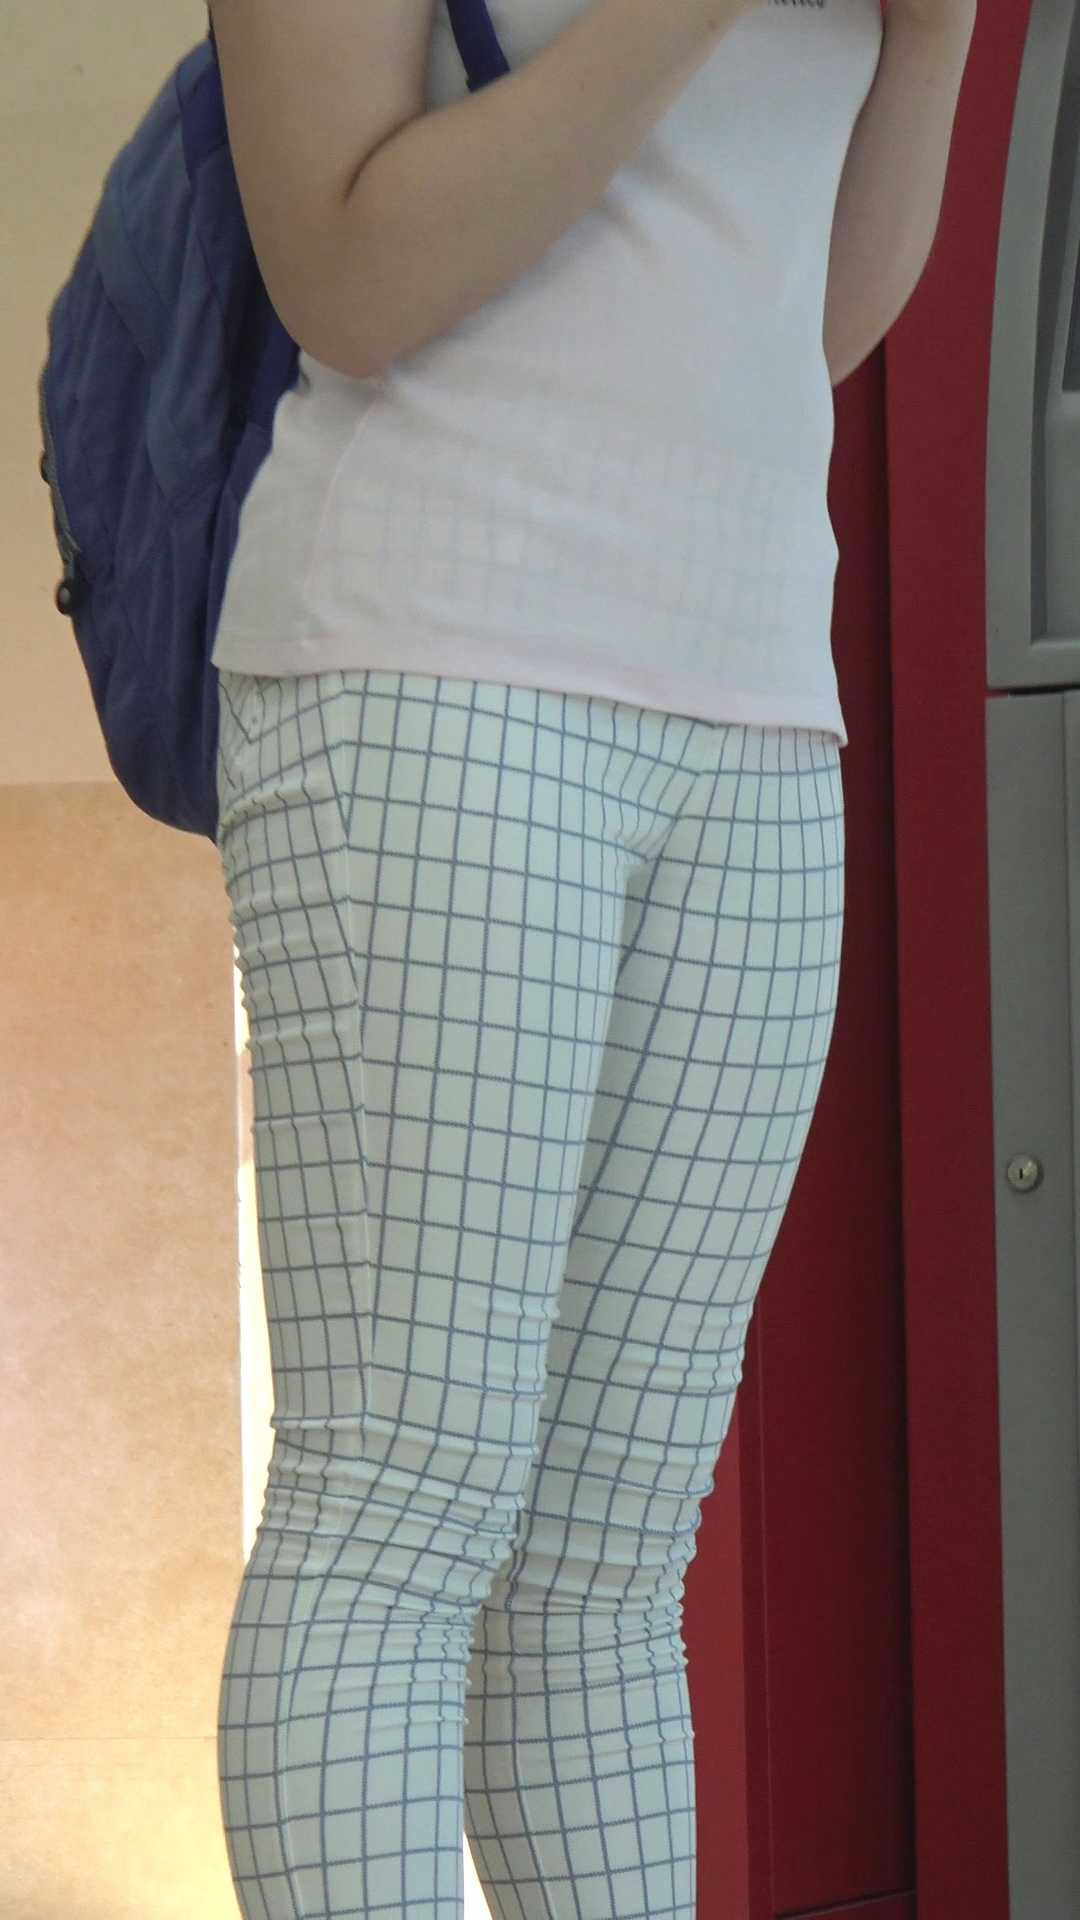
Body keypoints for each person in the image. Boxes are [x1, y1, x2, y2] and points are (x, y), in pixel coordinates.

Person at [209, 0, 882, 1912]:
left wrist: (924, 47)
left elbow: (808, 320)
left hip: (756, 701)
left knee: (609, 1554)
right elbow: (344, 278)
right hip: (437, 655)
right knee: (399, 1502)